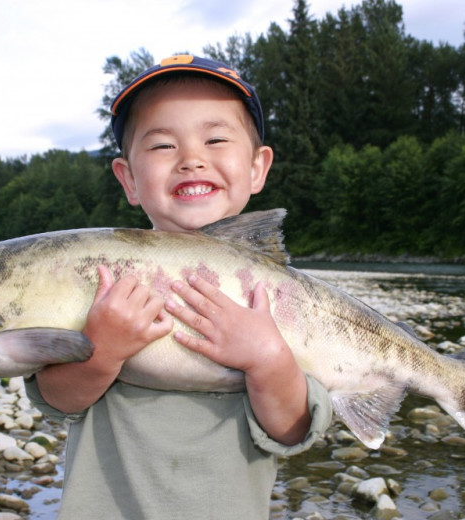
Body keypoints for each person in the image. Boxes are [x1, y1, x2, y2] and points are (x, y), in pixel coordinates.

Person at [25, 54, 332, 519]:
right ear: (128, 178)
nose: (191, 159)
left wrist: (267, 358)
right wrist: (102, 350)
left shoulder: (276, 302)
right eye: (163, 145)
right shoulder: (97, 281)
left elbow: (292, 430)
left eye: (215, 139)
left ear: (257, 167)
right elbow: (58, 400)